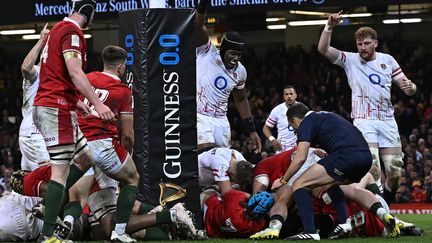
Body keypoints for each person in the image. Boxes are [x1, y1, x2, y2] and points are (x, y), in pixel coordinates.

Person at [253, 103, 399, 241]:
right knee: (335, 185)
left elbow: (300, 157)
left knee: (299, 184)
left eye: (292, 126)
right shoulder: (327, 115)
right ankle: (377, 215)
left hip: (345, 156)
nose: (296, 130)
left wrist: (284, 180)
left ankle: (310, 231)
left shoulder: (306, 123)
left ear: (293, 120)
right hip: (365, 158)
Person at [33, 1, 115, 241]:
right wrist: (98, 104)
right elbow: (75, 72)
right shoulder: (72, 32)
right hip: (55, 108)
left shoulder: (57, 29)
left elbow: (54, 73)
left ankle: (49, 204)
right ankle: (49, 234)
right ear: (88, 13)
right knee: (60, 173)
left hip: (55, 104)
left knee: (86, 158)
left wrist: (78, 102)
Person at [318, 11, 417, 204]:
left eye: (366, 43)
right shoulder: (350, 60)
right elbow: (323, 49)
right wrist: (329, 26)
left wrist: (411, 87)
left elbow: (409, 88)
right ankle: (380, 214)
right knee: (373, 169)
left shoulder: (387, 60)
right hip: (364, 120)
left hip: (387, 121)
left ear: (375, 43)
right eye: (359, 44)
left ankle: (383, 204)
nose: (362, 47)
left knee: (395, 172)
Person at [74, 45, 140, 242]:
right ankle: (119, 233)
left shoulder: (87, 78)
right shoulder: (122, 91)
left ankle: (48, 214)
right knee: (132, 179)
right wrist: (127, 154)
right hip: (104, 146)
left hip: (79, 144)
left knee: (72, 190)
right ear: (121, 66)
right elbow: (127, 133)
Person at [195, 0, 261, 153]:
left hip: (221, 121)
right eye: (232, 53)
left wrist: (252, 130)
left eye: (239, 55)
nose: (236, 58)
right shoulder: (207, 52)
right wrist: (202, 6)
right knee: (206, 156)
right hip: (200, 116)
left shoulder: (240, 71)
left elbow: (241, 99)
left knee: (223, 161)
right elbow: (197, 27)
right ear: (223, 49)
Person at [19, 24, 50, 171]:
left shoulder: (58, 77)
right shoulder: (37, 73)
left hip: (40, 136)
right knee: (52, 183)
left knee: (29, 188)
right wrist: (41, 41)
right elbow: (25, 68)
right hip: (34, 136)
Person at [201, 188, 267, 238]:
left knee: (211, 191)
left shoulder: (236, 199)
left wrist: (252, 196)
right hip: (212, 231)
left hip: (208, 210)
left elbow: (226, 192)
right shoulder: (257, 225)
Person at [262, 85, 298, 153]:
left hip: (299, 148)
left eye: (291, 94)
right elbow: (266, 128)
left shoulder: (303, 109)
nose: (289, 96)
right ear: (283, 96)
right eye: (286, 94)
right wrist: (272, 140)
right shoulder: (277, 110)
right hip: (282, 149)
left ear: (295, 95)